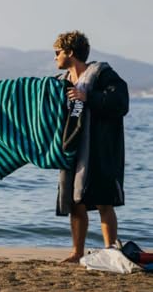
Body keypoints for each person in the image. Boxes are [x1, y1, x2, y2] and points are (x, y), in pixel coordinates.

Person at [53, 31, 129, 263]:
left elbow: (121, 102)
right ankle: (77, 252)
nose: (55, 57)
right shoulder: (62, 83)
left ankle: (111, 251)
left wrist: (89, 97)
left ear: (70, 52)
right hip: (72, 149)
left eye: (57, 53)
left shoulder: (103, 75)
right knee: (75, 202)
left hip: (99, 149)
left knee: (104, 200)